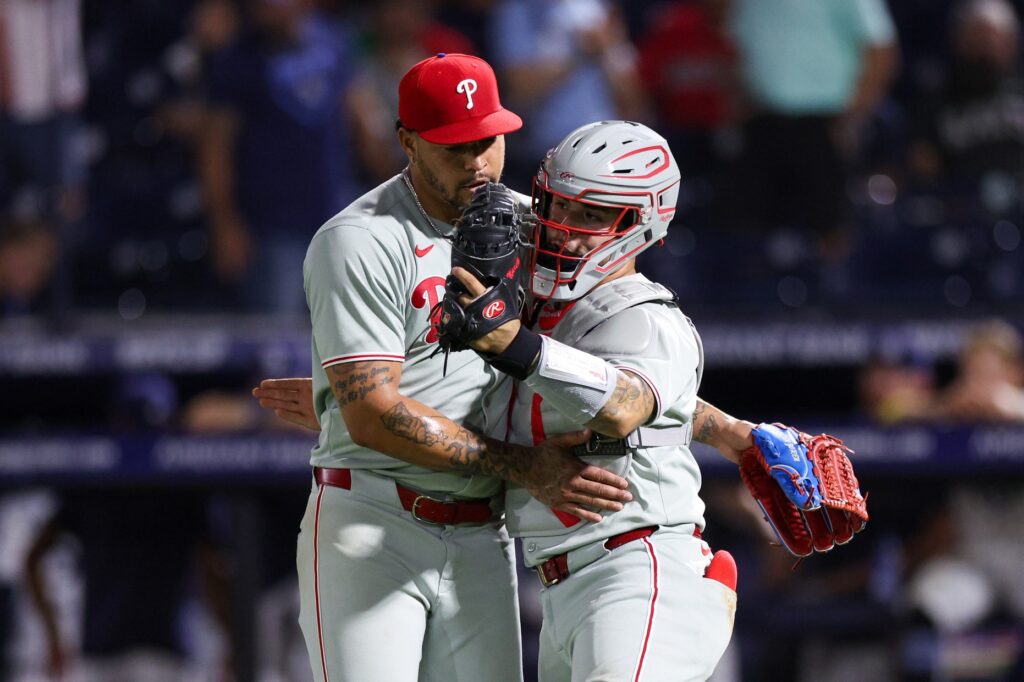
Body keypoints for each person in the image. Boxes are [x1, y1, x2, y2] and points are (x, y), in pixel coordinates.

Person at [256, 120, 763, 681]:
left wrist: (516, 346)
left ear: (640, 222)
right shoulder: (547, 304)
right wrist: (358, 406)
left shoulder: (643, 314)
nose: (564, 226)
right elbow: (540, 398)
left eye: (591, 214)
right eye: (558, 203)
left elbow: (625, 404)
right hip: (565, 584)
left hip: (639, 569)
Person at [277, 53, 632, 682]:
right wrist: (524, 465)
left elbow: (624, 354)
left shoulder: (534, 227)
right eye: (453, 146)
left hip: (483, 532)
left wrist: (730, 430)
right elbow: (374, 416)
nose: (476, 162)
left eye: (486, 141)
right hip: (374, 523)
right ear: (407, 141)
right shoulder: (362, 238)